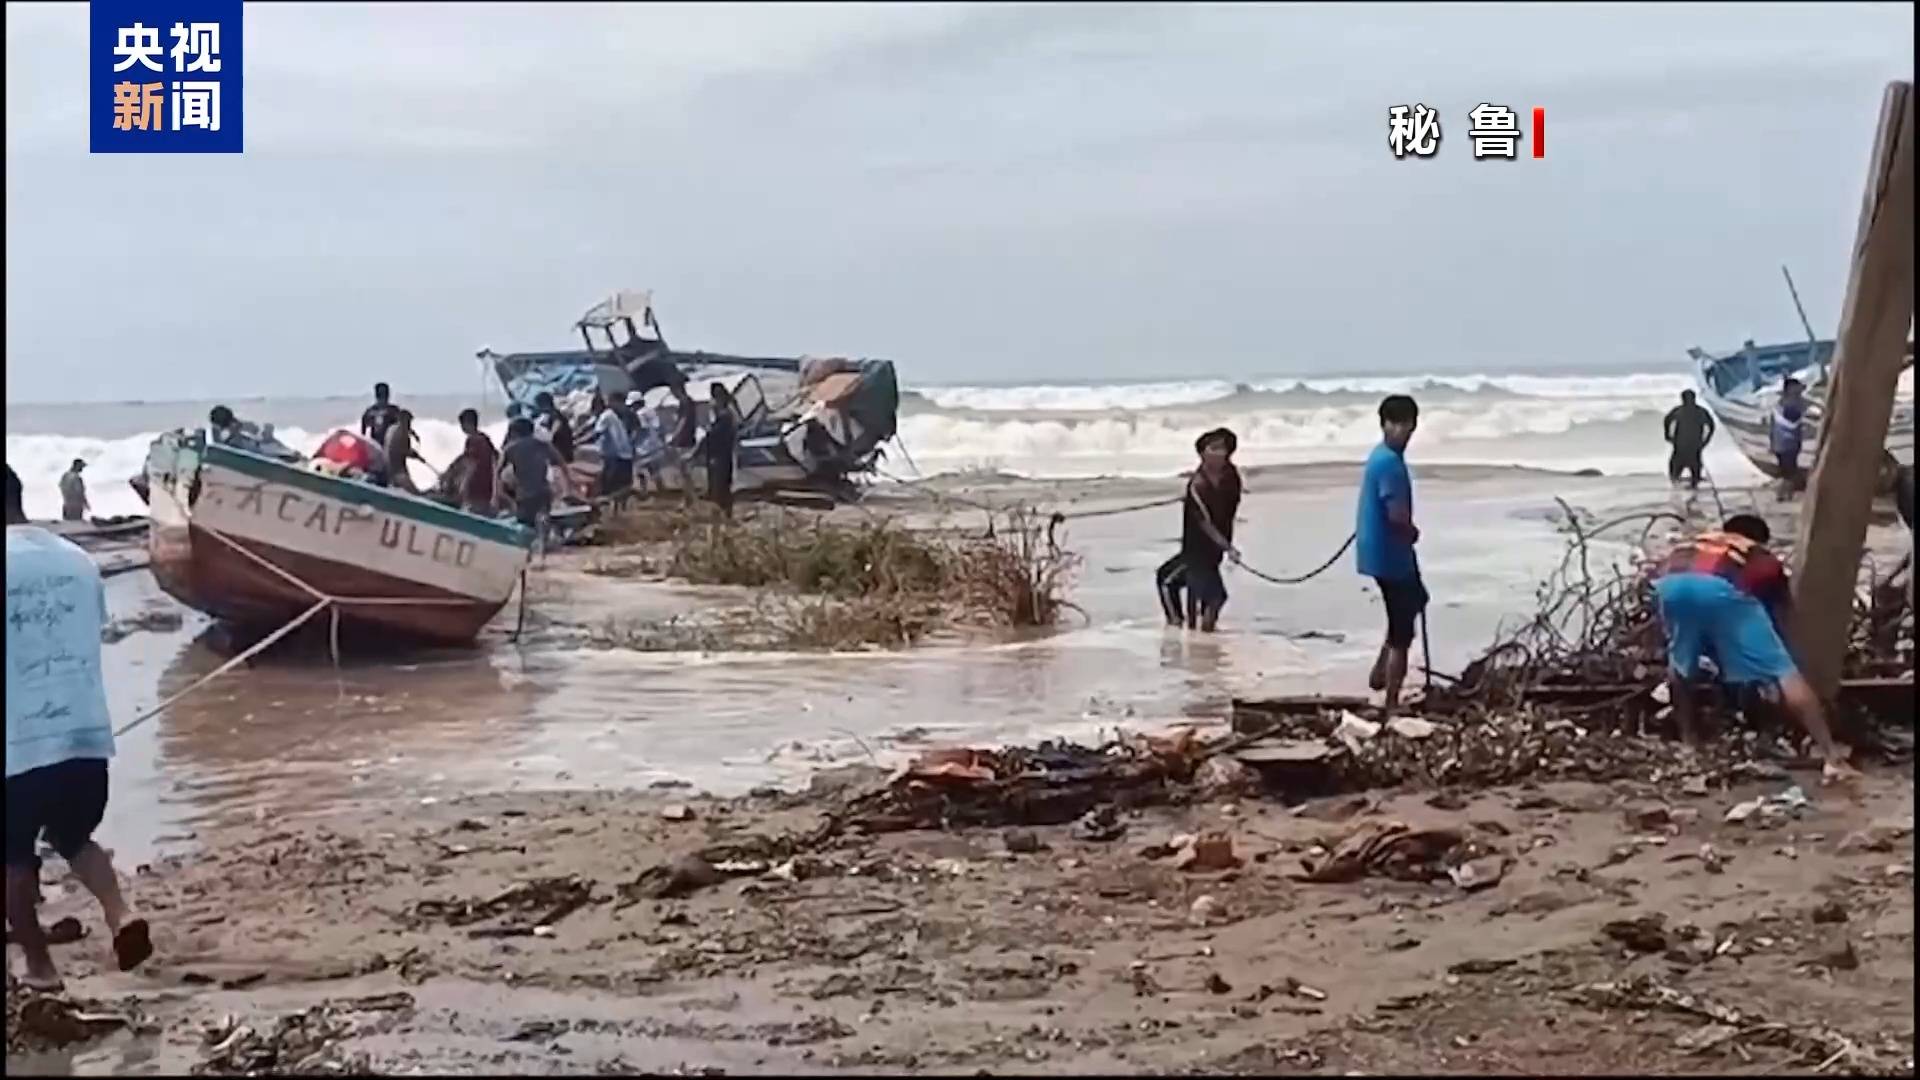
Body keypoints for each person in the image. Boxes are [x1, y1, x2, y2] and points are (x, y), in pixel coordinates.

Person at [6, 465, 153, 990]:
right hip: (85, 735)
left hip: (17, 744)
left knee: (14, 858)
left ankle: (41, 969)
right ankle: (120, 914)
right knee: (74, 836)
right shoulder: (78, 559)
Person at [1654, 514, 1854, 782]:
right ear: (1759, 538)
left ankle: (1690, 745)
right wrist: (1786, 652)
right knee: (1784, 670)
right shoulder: (1758, 553)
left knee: (1680, 663)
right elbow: (1780, 611)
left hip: (1669, 584)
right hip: (1719, 588)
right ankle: (1832, 757)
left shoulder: (1695, 542)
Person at [1357, 394, 1426, 716]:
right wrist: (1411, 532)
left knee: (1416, 601)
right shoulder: (1390, 464)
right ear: (1383, 424)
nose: (1401, 430)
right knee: (1403, 632)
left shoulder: (1381, 456)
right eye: (1394, 423)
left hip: (1381, 552)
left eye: (1406, 424)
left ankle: (1379, 672)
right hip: (1390, 555)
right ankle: (1392, 702)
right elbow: (1396, 516)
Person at [1157, 428, 1244, 632]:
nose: (1218, 453)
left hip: (1199, 551)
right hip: (1204, 547)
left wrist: (1226, 546)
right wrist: (1226, 545)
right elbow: (1204, 520)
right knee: (1204, 591)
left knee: (1167, 582)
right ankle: (1193, 628)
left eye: (1222, 449)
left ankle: (1180, 630)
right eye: (1213, 448)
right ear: (1202, 453)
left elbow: (1211, 520)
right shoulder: (1199, 485)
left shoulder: (1229, 479)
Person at [496, 416, 574, 529]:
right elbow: (562, 463)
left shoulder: (510, 449)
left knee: (526, 524)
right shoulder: (543, 445)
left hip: (525, 494)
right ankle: (544, 539)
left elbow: (497, 472)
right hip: (544, 492)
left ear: (514, 433)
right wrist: (568, 486)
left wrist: (499, 494)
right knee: (542, 520)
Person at [1663, 390, 1716, 490]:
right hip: (1684, 446)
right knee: (1676, 474)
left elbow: (1711, 426)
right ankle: (1681, 492)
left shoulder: (1685, 411)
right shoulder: (1697, 411)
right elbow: (1667, 420)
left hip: (1689, 447)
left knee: (1689, 475)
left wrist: (1706, 440)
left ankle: (1688, 494)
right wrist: (1705, 440)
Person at [592, 395, 636, 509]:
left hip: (616, 456)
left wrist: (577, 441)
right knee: (622, 485)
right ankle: (620, 510)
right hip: (623, 455)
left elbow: (595, 434)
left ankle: (614, 511)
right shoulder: (613, 416)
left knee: (613, 486)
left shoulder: (606, 416)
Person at [704, 382, 740, 519]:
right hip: (723, 456)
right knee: (722, 487)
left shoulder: (724, 417)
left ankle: (722, 516)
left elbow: (715, 437)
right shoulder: (726, 415)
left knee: (719, 488)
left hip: (719, 456)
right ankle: (725, 515)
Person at [1771, 378, 1809, 501]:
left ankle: (1786, 492)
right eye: (1797, 390)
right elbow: (1792, 422)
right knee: (1789, 471)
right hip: (1787, 444)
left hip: (1781, 444)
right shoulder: (1790, 405)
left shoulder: (1781, 403)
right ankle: (1783, 494)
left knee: (1787, 469)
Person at [455, 408, 498, 515]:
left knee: (473, 510)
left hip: (475, 484)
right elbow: (496, 457)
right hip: (487, 484)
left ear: (466, 424)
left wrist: (463, 485)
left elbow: (470, 464)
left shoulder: (472, 440)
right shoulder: (485, 438)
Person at [382, 409, 426, 495]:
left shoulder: (391, 429)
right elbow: (405, 451)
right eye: (408, 422)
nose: (410, 424)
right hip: (397, 471)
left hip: (387, 469)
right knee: (416, 494)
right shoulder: (402, 433)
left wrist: (413, 434)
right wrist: (416, 455)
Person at [532, 392, 577, 464]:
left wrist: (551, 434)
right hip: (564, 450)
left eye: (537, 404)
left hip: (562, 452)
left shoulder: (553, 414)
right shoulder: (554, 413)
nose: (536, 407)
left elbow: (557, 423)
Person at [361, 383, 403, 448]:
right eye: (381, 395)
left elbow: (403, 428)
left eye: (385, 394)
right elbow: (363, 430)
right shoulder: (370, 411)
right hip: (376, 445)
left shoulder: (394, 410)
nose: (383, 397)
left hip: (391, 446)